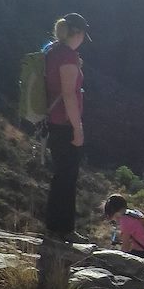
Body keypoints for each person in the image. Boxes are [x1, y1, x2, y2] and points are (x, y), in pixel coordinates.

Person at [44, 13, 89, 241]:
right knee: (68, 176)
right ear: (78, 33)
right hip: (65, 123)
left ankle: (54, 227)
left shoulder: (51, 50)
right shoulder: (68, 57)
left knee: (60, 174)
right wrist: (78, 129)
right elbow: (70, 95)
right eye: (83, 35)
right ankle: (65, 230)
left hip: (53, 120)